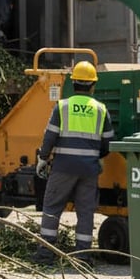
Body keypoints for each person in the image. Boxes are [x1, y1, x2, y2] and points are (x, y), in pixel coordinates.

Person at [32, 60, 114, 267]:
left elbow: (50, 136)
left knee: (52, 208)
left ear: (73, 81)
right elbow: (107, 142)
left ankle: (46, 255)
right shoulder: (100, 109)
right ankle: (83, 257)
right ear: (93, 85)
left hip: (63, 167)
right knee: (85, 212)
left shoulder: (63, 106)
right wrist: (95, 158)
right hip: (89, 169)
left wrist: (43, 158)